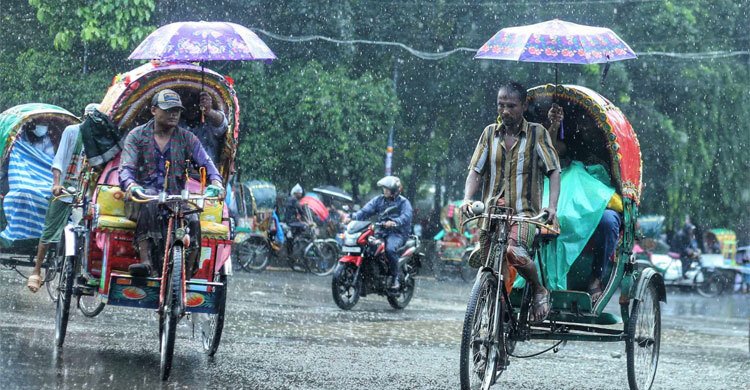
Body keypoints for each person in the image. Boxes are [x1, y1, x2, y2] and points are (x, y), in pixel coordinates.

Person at [461, 81, 561, 323]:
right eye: (501, 105)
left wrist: (552, 206)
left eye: (511, 106)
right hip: (491, 213)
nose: (505, 111)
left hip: (524, 213)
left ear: (524, 106)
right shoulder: (488, 134)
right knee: (490, 268)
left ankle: (539, 289)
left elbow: (554, 170)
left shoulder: (538, 133)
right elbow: (475, 170)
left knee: (513, 252)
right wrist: (467, 198)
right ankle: (499, 325)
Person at [119, 89, 224, 277]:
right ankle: (146, 262)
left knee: (192, 218)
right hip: (143, 197)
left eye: (177, 110)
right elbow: (126, 169)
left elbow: (207, 163)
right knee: (150, 204)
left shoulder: (188, 138)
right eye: (168, 109)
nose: (174, 114)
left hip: (175, 198)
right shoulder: (136, 136)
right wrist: (131, 185)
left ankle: (187, 271)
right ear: (153, 110)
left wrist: (216, 181)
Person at [547, 104, 623, 302]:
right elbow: (550, 149)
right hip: (571, 199)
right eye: (582, 122)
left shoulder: (613, 146)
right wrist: (554, 125)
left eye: (590, 122)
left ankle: (596, 278)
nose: (586, 126)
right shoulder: (573, 143)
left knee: (608, 221)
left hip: (603, 204)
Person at [27, 103, 100, 292]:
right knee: (50, 230)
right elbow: (59, 160)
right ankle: (36, 271)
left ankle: (86, 271)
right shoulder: (72, 131)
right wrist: (56, 184)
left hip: (87, 193)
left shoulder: (101, 138)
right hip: (66, 189)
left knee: (91, 231)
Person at [347, 176, 413, 290]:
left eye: (387, 189)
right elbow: (365, 211)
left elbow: (406, 216)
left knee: (390, 250)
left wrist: (394, 222)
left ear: (394, 190)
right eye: (384, 188)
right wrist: (352, 217)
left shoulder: (404, 202)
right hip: (381, 232)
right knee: (366, 247)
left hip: (397, 234)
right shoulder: (379, 200)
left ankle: (394, 277)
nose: (385, 191)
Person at [183, 91, 228, 165]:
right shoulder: (174, 123)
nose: (191, 106)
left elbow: (222, 124)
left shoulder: (210, 123)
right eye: (187, 102)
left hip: (207, 173)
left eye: (195, 100)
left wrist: (209, 111)